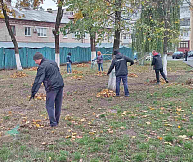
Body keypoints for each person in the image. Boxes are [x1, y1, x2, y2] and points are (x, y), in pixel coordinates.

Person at [30, 52, 64, 127]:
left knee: (49, 105)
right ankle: (56, 121)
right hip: (60, 85)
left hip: (52, 87)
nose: (35, 62)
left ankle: (53, 123)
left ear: (39, 59)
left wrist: (33, 92)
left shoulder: (42, 66)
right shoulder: (52, 62)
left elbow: (38, 80)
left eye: (35, 61)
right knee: (58, 104)